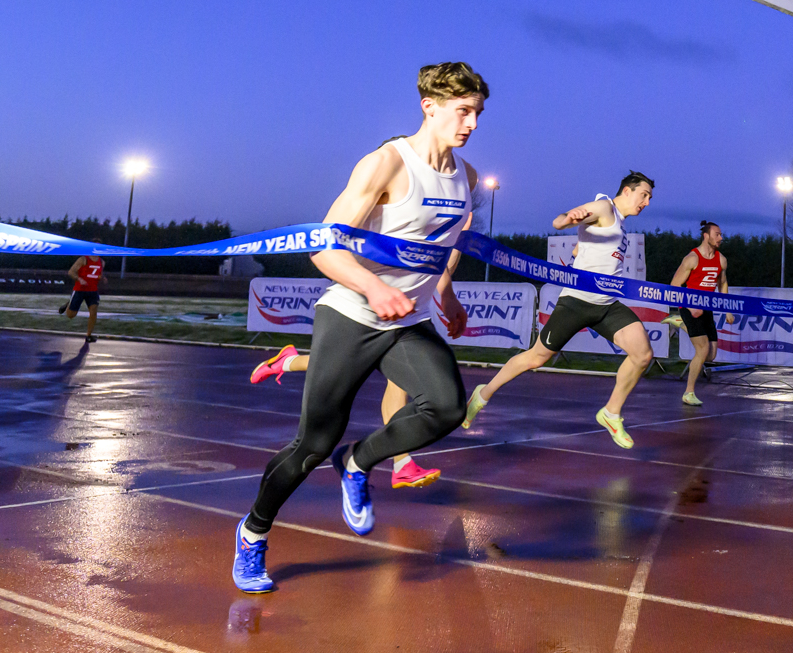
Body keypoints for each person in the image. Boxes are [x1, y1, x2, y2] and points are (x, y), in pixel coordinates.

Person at [232, 61, 484, 593]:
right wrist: (373, 288)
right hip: (353, 312)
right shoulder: (387, 163)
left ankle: (358, 461)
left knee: (446, 408)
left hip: (408, 318)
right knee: (312, 445)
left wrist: (446, 293)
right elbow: (323, 248)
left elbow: (443, 245)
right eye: (463, 111)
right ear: (429, 106)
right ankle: (253, 534)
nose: (472, 124)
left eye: (478, 112)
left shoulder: (468, 177)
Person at [247, 213, 474, 490]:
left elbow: (440, 266)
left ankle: (400, 463)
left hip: (405, 317)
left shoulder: (444, 216)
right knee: (340, 370)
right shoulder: (406, 209)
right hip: (367, 310)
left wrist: (456, 241)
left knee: (398, 384)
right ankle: (398, 462)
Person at [462, 172, 655, 449]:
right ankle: (483, 394)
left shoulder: (620, 224)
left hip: (606, 304)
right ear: (627, 191)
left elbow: (579, 250)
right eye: (644, 195)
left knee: (642, 354)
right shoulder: (604, 207)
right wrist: (567, 220)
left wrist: (582, 247)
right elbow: (560, 220)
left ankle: (611, 413)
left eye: (649, 198)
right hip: (576, 303)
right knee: (535, 358)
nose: (646, 202)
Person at [664, 220, 734, 406]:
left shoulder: (721, 260)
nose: (721, 238)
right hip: (689, 308)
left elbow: (722, 283)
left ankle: (680, 324)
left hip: (707, 308)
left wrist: (727, 309)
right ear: (706, 236)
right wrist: (690, 306)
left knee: (711, 355)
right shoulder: (692, 259)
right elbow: (675, 285)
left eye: (721, 235)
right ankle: (689, 392)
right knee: (702, 350)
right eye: (717, 234)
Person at [58, 254, 104, 343]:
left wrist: (102, 278)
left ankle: (89, 335)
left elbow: (99, 274)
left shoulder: (102, 262)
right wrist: (79, 279)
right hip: (80, 290)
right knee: (71, 315)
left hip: (93, 291)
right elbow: (71, 272)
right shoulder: (83, 259)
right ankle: (68, 304)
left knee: (93, 312)